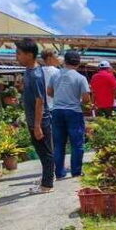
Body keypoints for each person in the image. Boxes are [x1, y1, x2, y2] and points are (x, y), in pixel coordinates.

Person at [15, 38, 54, 193]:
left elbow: (40, 101)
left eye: (18, 53)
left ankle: (47, 185)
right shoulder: (28, 71)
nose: (16, 56)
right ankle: (47, 178)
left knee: (46, 154)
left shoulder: (36, 75)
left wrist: (37, 125)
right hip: (34, 121)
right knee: (42, 153)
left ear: (29, 55)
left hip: (40, 122)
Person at [47, 50, 90, 179]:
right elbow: (86, 98)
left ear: (64, 61)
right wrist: (77, 101)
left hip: (57, 111)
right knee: (76, 143)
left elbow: (49, 92)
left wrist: (60, 98)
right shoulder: (80, 78)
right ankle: (76, 171)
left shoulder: (55, 75)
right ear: (78, 63)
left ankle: (59, 173)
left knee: (59, 143)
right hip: (74, 112)